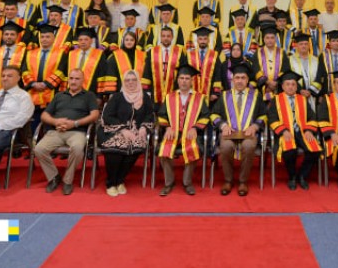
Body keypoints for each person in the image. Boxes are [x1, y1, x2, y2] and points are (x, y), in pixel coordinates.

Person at [34, 68, 100, 195]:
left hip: (77, 132)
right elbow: (44, 115)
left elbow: (95, 115)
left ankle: (68, 180)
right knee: (38, 149)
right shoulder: (59, 95)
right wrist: (56, 122)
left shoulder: (89, 96)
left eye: (77, 79)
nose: (73, 81)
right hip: (56, 131)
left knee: (77, 149)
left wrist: (74, 123)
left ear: (83, 80)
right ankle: (54, 177)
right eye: (71, 78)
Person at [211, 64, 266, 196]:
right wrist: (223, 126)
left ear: (247, 80)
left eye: (243, 78)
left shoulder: (256, 96)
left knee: (248, 146)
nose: (240, 81)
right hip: (229, 133)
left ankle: (243, 181)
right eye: (237, 78)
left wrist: (255, 126)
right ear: (232, 80)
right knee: (226, 147)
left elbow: (264, 115)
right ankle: (228, 180)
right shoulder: (225, 96)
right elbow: (214, 115)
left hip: (248, 133)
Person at [98, 69, 154, 197]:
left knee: (136, 147)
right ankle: (111, 183)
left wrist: (144, 128)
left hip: (136, 132)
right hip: (114, 130)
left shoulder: (145, 97)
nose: (130, 83)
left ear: (138, 81)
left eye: (133, 80)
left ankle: (120, 180)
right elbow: (107, 116)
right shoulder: (117, 97)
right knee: (115, 150)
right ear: (123, 82)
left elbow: (149, 115)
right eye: (127, 80)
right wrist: (123, 130)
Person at [157, 65, 210, 196]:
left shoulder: (199, 98)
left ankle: (187, 182)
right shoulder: (169, 97)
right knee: (163, 149)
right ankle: (169, 182)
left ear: (192, 81)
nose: (184, 81)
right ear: (178, 80)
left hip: (191, 134)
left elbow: (205, 116)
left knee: (193, 148)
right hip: (173, 133)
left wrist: (196, 128)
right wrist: (167, 127)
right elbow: (162, 115)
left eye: (187, 78)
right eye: (182, 78)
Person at [267, 71, 321, 190]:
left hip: (302, 131)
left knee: (314, 150)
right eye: (287, 84)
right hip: (285, 132)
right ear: (282, 86)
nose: (290, 87)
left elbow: (312, 117)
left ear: (297, 87)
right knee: (290, 151)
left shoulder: (302, 99)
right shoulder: (276, 100)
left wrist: (309, 130)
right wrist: (283, 131)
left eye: (293, 84)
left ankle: (302, 176)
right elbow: (272, 118)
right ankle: (292, 177)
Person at [21, 24, 69, 129]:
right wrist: (33, 84)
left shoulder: (61, 53)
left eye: (48, 37)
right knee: (34, 123)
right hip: (33, 93)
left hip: (52, 92)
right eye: (42, 37)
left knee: (49, 124)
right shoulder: (30, 53)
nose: (44, 39)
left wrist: (45, 84)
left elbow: (61, 71)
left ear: (53, 38)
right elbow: (24, 71)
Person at [142, 27, 187, 107]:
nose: (166, 38)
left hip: (174, 91)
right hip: (155, 92)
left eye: (168, 36)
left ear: (172, 37)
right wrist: (147, 91)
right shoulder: (152, 52)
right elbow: (147, 72)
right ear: (160, 37)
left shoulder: (179, 52)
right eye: (163, 36)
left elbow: (182, 72)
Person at [250, 25, 290, 103]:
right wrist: (267, 82)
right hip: (262, 87)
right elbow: (256, 69)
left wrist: (276, 83)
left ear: (275, 39)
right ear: (264, 39)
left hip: (278, 87)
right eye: (267, 38)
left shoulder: (282, 52)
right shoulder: (258, 52)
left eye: (272, 38)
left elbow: (285, 69)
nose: (270, 40)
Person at [67, 27, 109, 102]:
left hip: (91, 93)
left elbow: (102, 76)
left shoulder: (99, 54)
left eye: (86, 39)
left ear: (91, 41)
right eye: (80, 40)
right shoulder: (71, 54)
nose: (83, 42)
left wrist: (99, 96)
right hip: (71, 93)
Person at [186, 26, 223, 105]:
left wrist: (215, 92)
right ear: (197, 40)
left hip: (210, 93)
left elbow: (218, 74)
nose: (202, 41)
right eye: (200, 39)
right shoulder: (190, 55)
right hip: (192, 92)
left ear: (208, 40)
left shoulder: (214, 55)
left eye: (205, 39)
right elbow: (186, 74)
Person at [288, 32, 326, 101]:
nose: (304, 46)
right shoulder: (290, 60)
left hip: (313, 95)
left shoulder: (316, 60)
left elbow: (319, 77)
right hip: (296, 94)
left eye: (306, 44)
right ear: (296, 46)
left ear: (309, 46)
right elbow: (290, 77)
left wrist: (310, 91)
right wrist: (300, 90)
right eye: (301, 44)